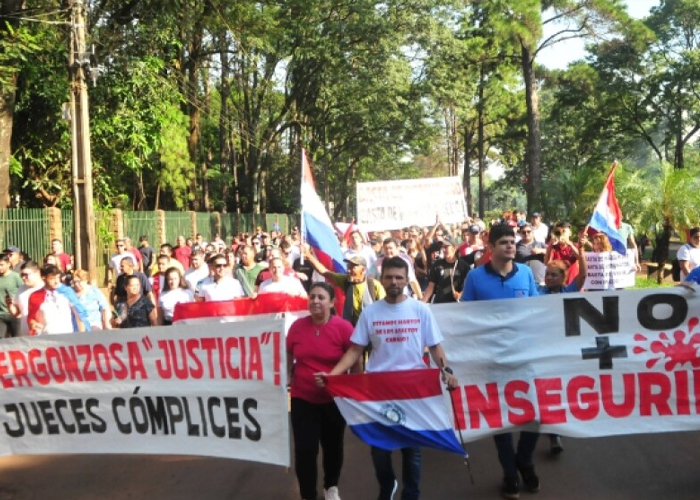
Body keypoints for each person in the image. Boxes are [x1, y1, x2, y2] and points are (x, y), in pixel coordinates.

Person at [317, 256, 458, 500]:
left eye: (398, 277)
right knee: (379, 449)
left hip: (412, 390)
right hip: (378, 390)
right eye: (389, 277)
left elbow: (435, 347)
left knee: (411, 450)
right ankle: (387, 484)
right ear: (382, 279)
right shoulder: (371, 313)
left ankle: (411, 494)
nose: (394, 281)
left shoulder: (420, 310)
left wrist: (447, 371)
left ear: (406, 280)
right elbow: (355, 350)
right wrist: (333, 376)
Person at [460, 224, 539, 499]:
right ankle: (509, 473)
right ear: (490, 246)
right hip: (491, 360)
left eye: (512, 242)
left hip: (524, 358)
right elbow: (465, 317)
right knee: (500, 420)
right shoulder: (475, 277)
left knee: (535, 415)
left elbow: (538, 311)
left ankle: (525, 460)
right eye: (504, 242)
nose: (510, 246)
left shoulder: (527, 273)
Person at [287, 282, 360, 500]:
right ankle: (308, 494)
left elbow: (354, 357)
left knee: (333, 446)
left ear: (331, 302)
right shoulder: (297, 327)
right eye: (312, 297)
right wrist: (287, 374)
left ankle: (331, 487)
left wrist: (355, 388)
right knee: (305, 450)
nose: (316, 301)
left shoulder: (344, 327)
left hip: (334, 400)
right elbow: (287, 352)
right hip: (302, 398)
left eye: (321, 297)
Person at [303, 247, 385, 326]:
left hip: (372, 328)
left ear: (363, 270)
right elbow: (324, 272)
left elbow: (385, 307)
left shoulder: (374, 285)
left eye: (353, 267)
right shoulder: (346, 281)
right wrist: (308, 256)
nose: (349, 270)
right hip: (352, 329)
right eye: (348, 267)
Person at [27, 264, 83, 335]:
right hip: (47, 338)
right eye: (52, 279)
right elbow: (31, 318)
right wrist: (33, 324)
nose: (56, 281)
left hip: (68, 337)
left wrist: (82, 335)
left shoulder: (67, 292)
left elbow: (79, 314)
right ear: (43, 278)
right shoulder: (35, 296)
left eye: (58, 277)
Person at [422, 238, 469, 303]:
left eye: (446, 247)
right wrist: (422, 303)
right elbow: (430, 287)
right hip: (440, 303)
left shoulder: (463, 266)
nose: (444, 249)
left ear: (454, 248)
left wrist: (461, 294)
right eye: (443, 247)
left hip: (457, 304)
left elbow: (469, 286)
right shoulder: (437, 265)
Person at [8, 261, 43, 336]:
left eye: (26, 275)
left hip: (44, 333)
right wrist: (10, 306)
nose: (23, 278)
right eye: (22, 275)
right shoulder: (21, 289)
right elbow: (17, 313)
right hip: (26, 334)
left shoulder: (46, 288)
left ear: (37, 273)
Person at [0, 253, 22, 338]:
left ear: (8, 264)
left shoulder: (15, 276)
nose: (0, 267)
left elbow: (22, 290)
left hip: (14, 314)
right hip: (1, 315)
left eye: (2, 265)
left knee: (17, 339)